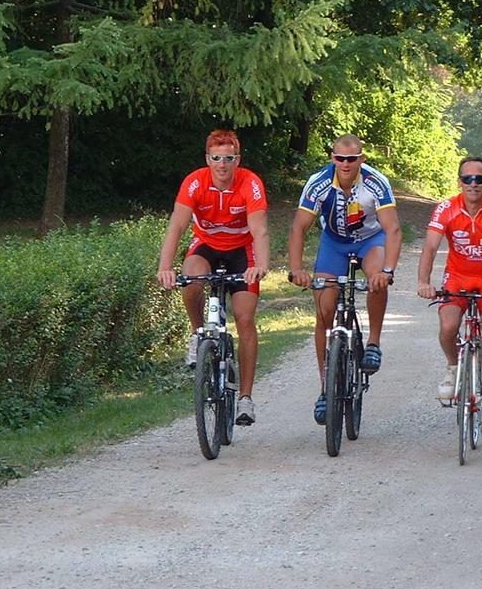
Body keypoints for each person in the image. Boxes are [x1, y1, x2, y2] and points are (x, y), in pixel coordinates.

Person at [157, 129, 270, 427]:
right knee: (190, 277)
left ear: (237, 160)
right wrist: (165, 267)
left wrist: (261, 265)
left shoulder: (250, 183)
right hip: (206, 245)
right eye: (216, 158)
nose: (222, 164)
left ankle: (245, 398)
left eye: (228, 158)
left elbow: (259, 230)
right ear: (207, 159)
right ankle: (198, 335)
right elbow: (176, 227)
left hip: (241, 250)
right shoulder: (194, 182)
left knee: (245, 318)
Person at [288, 134, 402, 424]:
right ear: (332, 158)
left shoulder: (376, 182)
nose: (346, 164)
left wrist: (388, 270)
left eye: (352, 159)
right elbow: (299, 228)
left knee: (376, 277)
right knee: (324, 311)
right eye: (340, 158)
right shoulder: (319, 182)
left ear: (362, 159)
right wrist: (296, 269)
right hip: (334, 243)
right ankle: (325, 388)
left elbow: (392, 229)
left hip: (369, 239)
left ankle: (373, 342)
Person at [416, 156, 482, 427]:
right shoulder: (446, 209)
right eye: (468, 179)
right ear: (460, 182)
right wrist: (423, 282)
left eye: (479, 179)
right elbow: (430, 246)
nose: (473, 184)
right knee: (448, 325)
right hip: (458, 277)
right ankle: (453, 367)